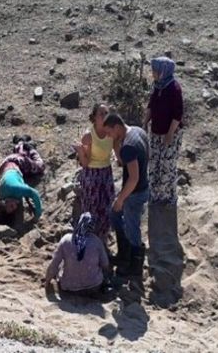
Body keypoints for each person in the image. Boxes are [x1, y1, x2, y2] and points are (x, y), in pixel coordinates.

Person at [143, 56, 185, 305]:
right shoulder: (158, 87)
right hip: (155, 133)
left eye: (155, 70)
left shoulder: (174, 88)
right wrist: (145, 121)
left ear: (164, 70)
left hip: (169, 134)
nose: (153, 73)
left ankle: (167, 196)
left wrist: (170, 134)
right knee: (155, 164)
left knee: (168, 166)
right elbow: (151, 105)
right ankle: (156, 193)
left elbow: (177, 115)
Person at [103, 113, 149, 278]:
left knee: (132, 227)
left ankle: (134, 267)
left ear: (116, 127)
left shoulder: (129, 145)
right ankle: (124, 254)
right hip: (141, 187)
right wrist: (116, 145)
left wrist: (121, 199)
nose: (108, 136)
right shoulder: (138, 131)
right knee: (114, 215)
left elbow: (134, 178)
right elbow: (123, 162)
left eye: (109, 132)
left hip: (134, 193)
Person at [74, 103, 115, 243]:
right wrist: (80, 152)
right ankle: (85, 243)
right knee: (91, 210)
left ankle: (101, 242)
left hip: (106, 173)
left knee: (106, 209)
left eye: (106, 113)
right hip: (92, 174)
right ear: (95, 118)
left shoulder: (111, 133)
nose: (104, 116)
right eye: (101, 114)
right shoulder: (88, 136)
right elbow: (85, 163)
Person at [45, 212, 110, 295]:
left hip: (69, 287)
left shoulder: (66, 240)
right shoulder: (96, 241)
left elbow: (54, 265)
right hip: (93, 287)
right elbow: (105, 264)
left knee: (62, 265)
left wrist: (47, 281)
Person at [0, 141, 44, 225]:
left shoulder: (16, 189)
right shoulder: (3, 194)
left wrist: (38, 214)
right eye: (13, 209)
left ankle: (27, 147)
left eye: (11, 206)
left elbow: (35, 194)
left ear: (5, 201)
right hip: (4, 167)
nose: (15, 207)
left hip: (15, 161)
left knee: (40, 166)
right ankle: (19, 148)